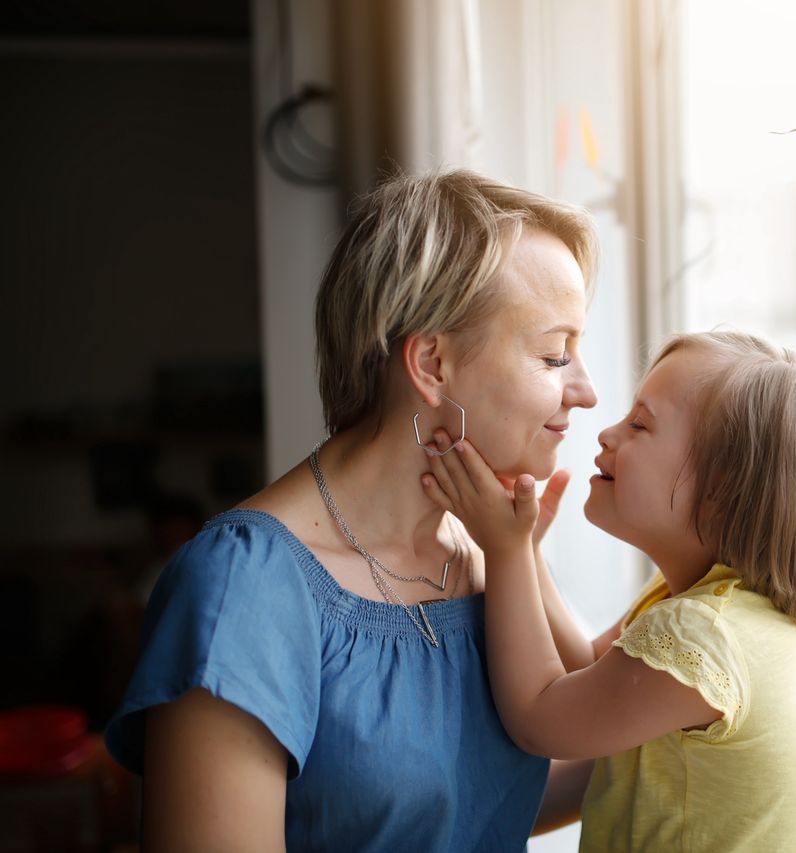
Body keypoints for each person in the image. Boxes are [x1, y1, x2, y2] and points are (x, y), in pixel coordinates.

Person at [105, 169, 610, 850]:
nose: (587, 392)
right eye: (555, 355)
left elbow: (465, 798)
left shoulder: (486, 552)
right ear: (431, 363)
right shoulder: (241, 593)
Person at [422, 330, 796, 851]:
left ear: (721, 489)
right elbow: (587, 670)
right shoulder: (703, 606)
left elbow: (540, 718)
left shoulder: (702, 635)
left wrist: (505, 551)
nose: (607, 433)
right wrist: (528, 557)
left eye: (640, 425)